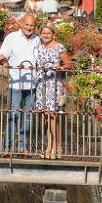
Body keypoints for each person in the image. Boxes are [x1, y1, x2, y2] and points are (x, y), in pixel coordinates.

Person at [0, 12, 38, 152]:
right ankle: (7, 147)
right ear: (21, 23)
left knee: (27, 117)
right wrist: (4, 62)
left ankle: (22, 146)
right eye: (27, 24)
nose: (29, 27)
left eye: (32, 25)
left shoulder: (37, 39)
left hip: (32, 84)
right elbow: (0, 55)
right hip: (15, 82)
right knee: (13, 114)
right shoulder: (12, 37)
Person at [31, 20, 70, 158]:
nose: (46, 35)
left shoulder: (59, 47)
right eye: (44, 33)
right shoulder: (38, 47)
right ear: (40, 34)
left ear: (53, 34)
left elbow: (68, 64)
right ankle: (53, 147)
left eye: (49, 33)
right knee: (45, 117)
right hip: (41, 84)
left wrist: (59, 67)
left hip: (54, 84)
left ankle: (54, 147)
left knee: (52, 116)